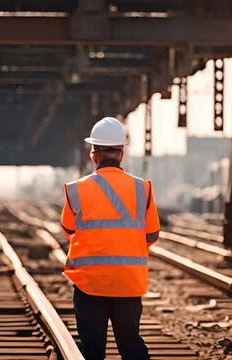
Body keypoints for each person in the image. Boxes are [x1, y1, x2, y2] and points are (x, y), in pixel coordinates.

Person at [61, 117, 161, 360]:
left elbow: (69, 230)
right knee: (131, 346)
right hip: (129, 283)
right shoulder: (143, 188)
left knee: (92, 350)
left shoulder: (76, 189)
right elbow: (152, 234)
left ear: (93, 153)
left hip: (90, 284)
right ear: (122, 152)